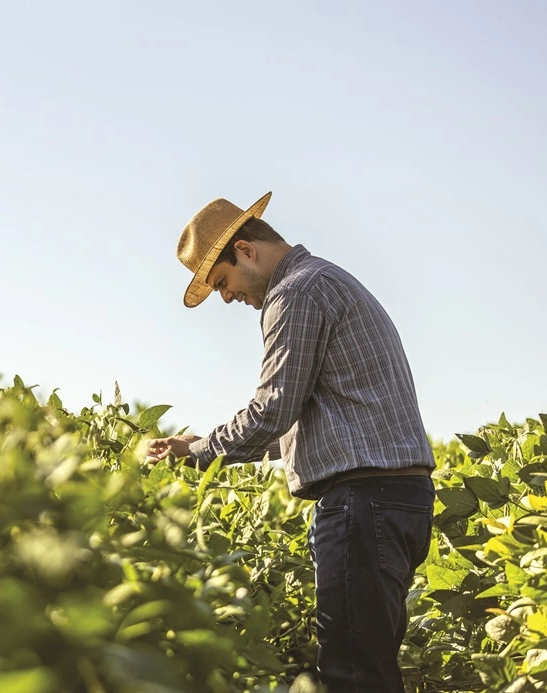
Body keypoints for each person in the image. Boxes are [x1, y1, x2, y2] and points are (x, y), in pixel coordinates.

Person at [145, 192, 436, 692]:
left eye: (222, 282)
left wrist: (196, 453)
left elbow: (272, 410)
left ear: (246, 250)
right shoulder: (326, 281)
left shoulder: (296, 293)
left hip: (362, 503)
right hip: (392, 500)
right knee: (370, 666)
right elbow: (298, 420)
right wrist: (202, 444)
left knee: (351, 675)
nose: (228, 298)